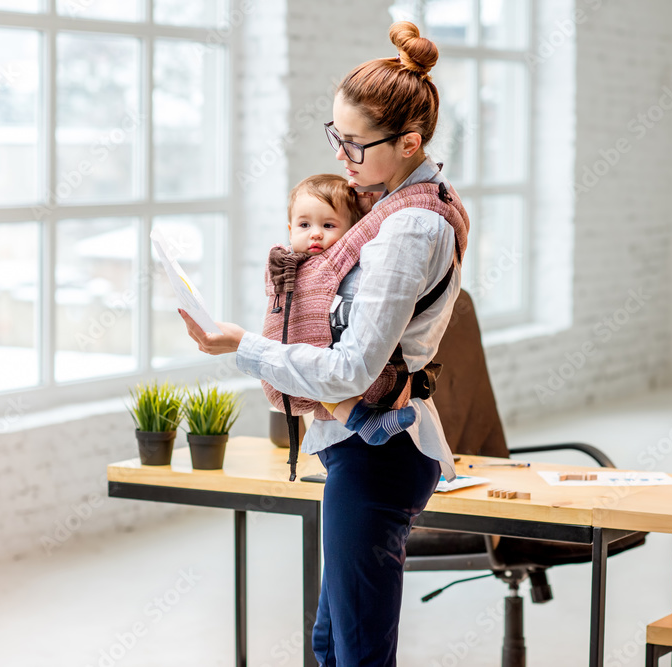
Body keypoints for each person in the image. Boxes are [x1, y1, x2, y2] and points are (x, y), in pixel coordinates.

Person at [178, 20, 470, 667]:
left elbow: (350, 369)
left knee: (358, 652)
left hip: (380, 455)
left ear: (410, 142)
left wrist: (241, 344)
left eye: (355, 145)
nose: (341, 156)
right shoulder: (399, 208)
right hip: (360, 449)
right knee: (330, 644)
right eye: (335, 136)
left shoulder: (409, 229)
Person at [276, 172, 420, 446]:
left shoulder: (352, 262)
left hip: (342, 356)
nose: (315, 233)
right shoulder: (290, 264)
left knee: (330, 377)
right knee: (321, 374)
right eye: (304, 224)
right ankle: (364, 422)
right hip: (303, 348)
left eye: (329, 225)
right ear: (290, 229)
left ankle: (366, 422)